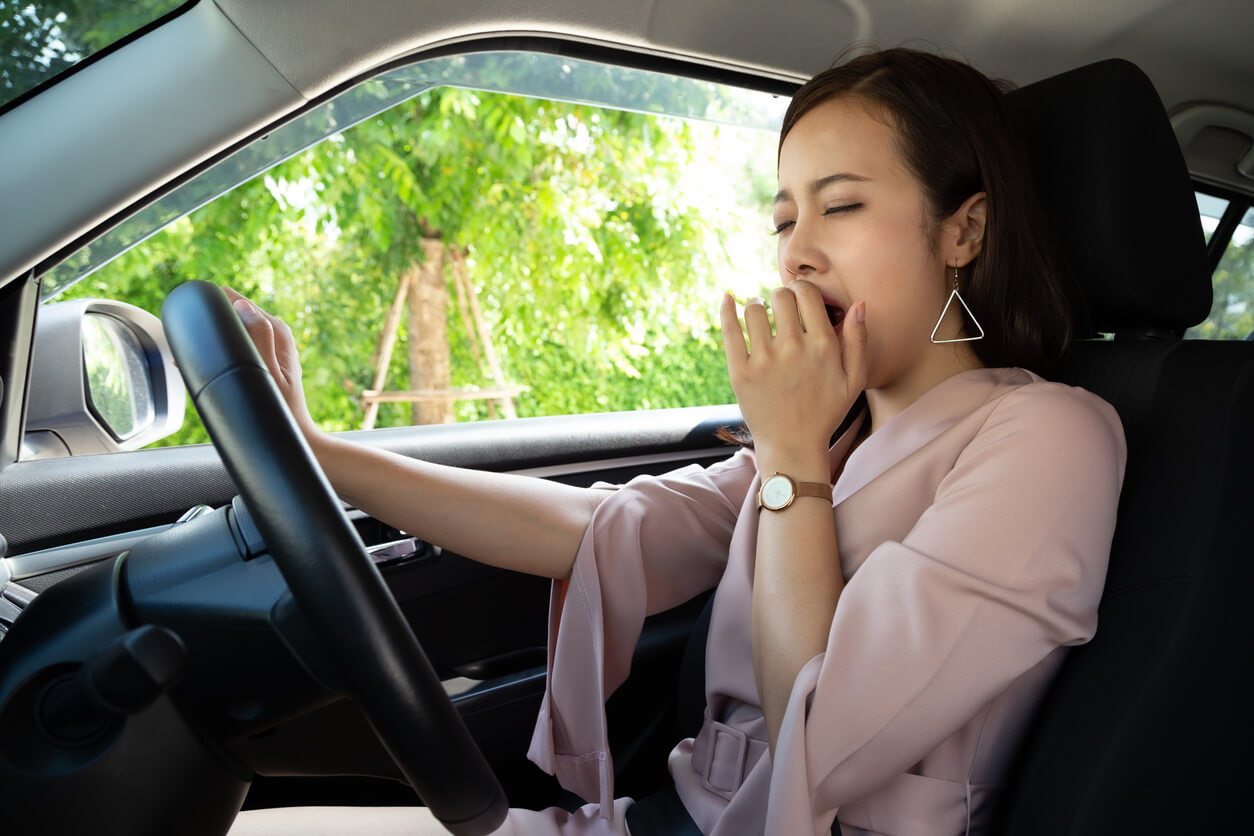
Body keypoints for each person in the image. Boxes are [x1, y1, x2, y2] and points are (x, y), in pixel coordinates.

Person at [227, 47, 1125, 836]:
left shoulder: (1047, 434)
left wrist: (791, 457)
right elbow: (592, 530)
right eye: (783, 220)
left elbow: (822, 743)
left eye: (840, 207)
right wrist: (317, 448)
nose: (795, 257)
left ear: (963, 229)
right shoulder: (835, 434)